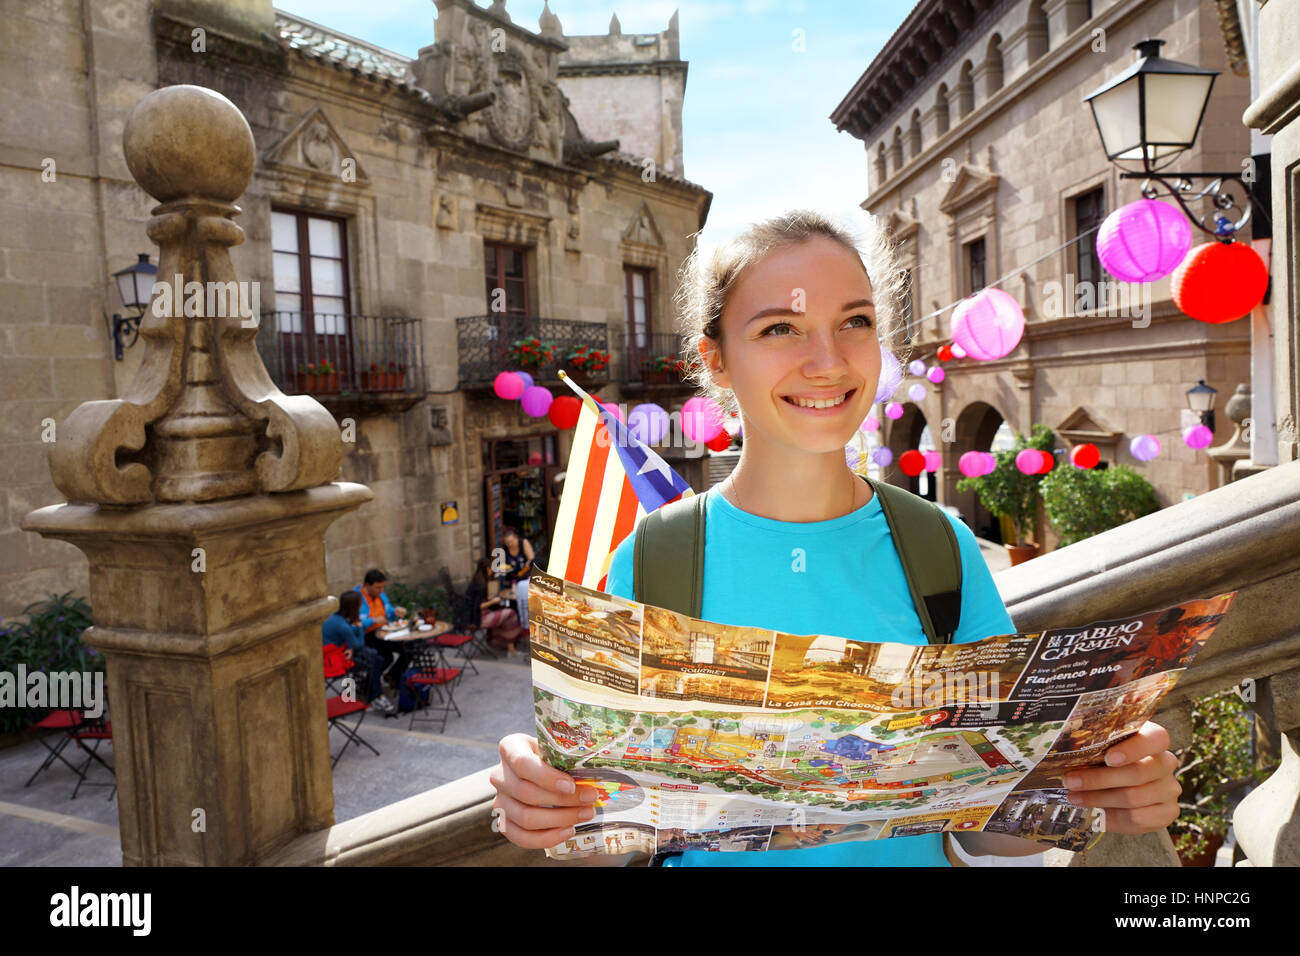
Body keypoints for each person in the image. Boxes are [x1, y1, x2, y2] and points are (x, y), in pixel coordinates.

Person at [489, 209, 1182, 866]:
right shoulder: (656, 558)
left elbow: (990, 822)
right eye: (780, 329)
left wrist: (1099, 790)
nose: (827, 361)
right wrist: (542, 799)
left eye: (854, 321)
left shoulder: (938, 545)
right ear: (716, 359)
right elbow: (615, 810)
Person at [322, 590, 396, 714]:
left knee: (377, 657)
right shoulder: (343, 626)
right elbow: (358, 644)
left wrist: (371, 621)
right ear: (354, 606)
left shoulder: (336, 617)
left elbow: (354, 630)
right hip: (334, 662)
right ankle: (375, 696)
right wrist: (361, 629)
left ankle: (370, 690)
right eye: (360, 604)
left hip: (335, 653)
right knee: (375, 659)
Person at [356, 569, 407, 683]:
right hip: (367, 635)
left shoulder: (380, 594)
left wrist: (396, 611)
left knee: (409, 648)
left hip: (385, 631)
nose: (381, 590)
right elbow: (354, 624)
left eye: (382, 587)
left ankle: (393, 676)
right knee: (385, 658)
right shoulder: (356, 598)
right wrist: (373, 620)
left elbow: (388, 610)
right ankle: (368, 686)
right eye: (378, 587)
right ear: (367, 585)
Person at [469, 556, 527, 654]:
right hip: (478, 618)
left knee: (505, 611)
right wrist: (493, 601)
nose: (492, 571)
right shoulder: (480, 585)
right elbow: (478, 606)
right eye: (491, 569)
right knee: (511, 613)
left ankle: (499, 641)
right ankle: (511, 649)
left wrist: (490, 599)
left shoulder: (478, 580)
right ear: (487, 569)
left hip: (476, 615)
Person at [497, 527, 535, 630]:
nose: (509, 545)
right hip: (512, 579)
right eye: (507, 543)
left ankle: (527, 625)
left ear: (516, 538)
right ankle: (516, 626)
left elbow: (531, 559)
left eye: (511, 542)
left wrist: (528, 564)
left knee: (527, 602)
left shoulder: (523, 543)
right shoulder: (505, 549)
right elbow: (502, 564)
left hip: (525, 578)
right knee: (513, 601)